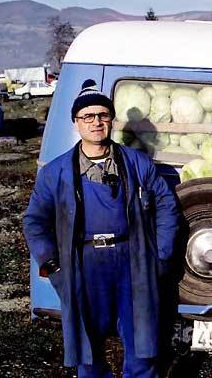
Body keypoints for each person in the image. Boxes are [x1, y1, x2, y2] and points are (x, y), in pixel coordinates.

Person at [23, 79, 180, 378]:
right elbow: (35, 221)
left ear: (111, 119)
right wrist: (51, 263)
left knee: (142, 342)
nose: (96, 122)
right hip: (83, 264)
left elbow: (166, 206)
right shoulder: (55, 173)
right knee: (87, 347)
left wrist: (160, 256)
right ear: (76, 123)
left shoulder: (136, 164)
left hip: (132, 263)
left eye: (102, 115)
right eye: (88, 117)